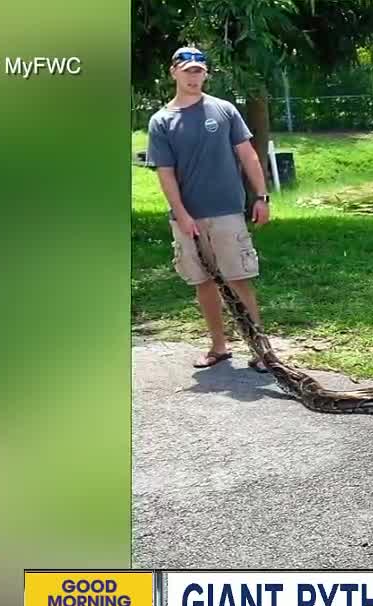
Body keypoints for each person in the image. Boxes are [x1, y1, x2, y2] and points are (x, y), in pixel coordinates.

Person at [146, 45, 272, 371]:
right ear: (173, 72)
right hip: (187, 218)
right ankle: (219, 346)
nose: (193, 77)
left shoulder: (224, 110)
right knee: (203, 283)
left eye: (199, 71)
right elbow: (166, 173)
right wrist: (183, 215)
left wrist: (261, 196)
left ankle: (261, 350)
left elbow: (248, 156)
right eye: (187, 71)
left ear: (206, 74)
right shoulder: (161, 121)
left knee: (238, 278)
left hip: (228, 213)